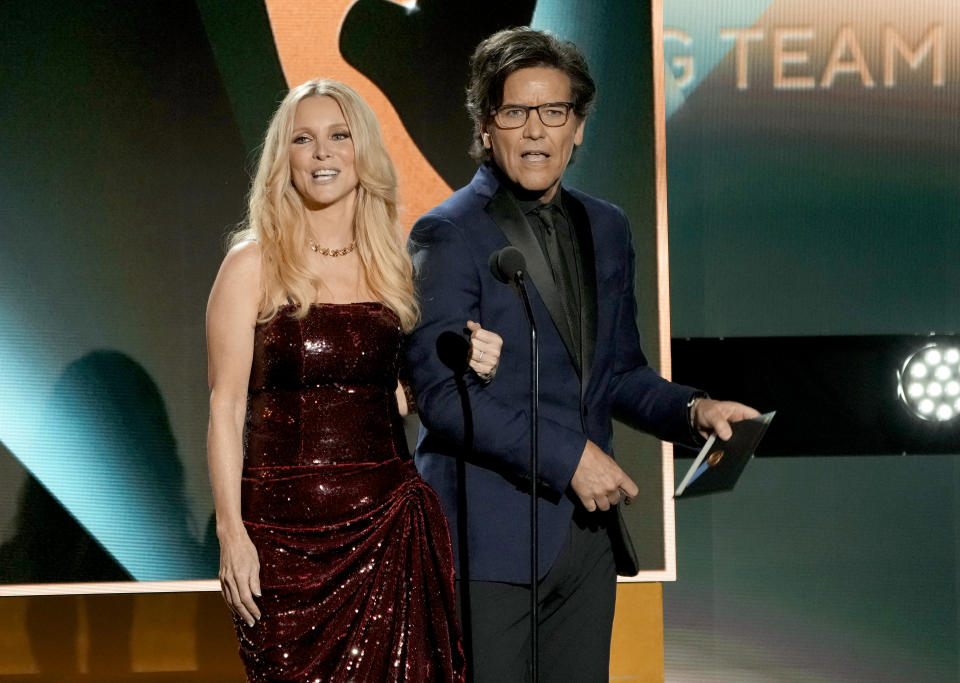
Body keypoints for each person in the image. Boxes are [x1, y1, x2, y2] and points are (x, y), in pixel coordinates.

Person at [405, 28, 759, 682]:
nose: (536, 130)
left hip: (585, 543)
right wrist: (569, 457)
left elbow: (619, 374)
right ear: (486, 127)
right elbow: (443, 399)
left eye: (554, 112)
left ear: (579, 127)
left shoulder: (608, 227)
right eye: (515, 112)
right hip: (488, 542)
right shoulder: (447, 233)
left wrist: (695, 410)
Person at [206, 79, 501, 681]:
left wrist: (463, 362)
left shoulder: (393, 261)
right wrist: (232, 535)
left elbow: (392, 397)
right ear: (281, 159)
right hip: (282, 544)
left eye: (339, 136)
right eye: (303, 140)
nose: (322, 154)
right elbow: (225, 406)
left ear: (361, 151)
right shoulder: (250, 264)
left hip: (388, 528)